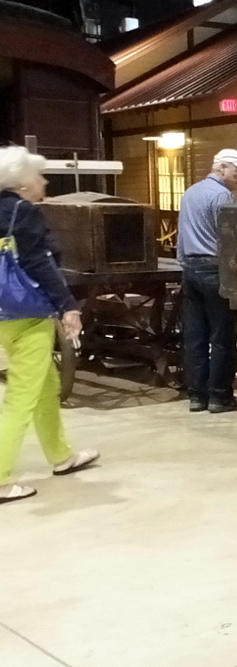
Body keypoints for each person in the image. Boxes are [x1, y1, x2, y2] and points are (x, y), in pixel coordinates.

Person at [0, 147, 98, 503]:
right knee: (21, 397)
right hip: (28, 313)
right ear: (23, 182)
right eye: (39, 175)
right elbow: (41, 264)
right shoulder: (23, 212)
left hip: (3, 313)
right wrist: (67, 306)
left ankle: (61, 456)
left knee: (45, 387)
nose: (44, 181)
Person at [178, 148, 237, 413]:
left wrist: (184, 264)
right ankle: (219, 396)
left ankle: (197, 396)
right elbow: (232, 238)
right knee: (222, 337)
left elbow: (181, 235)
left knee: (196, 337)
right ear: (221, 168)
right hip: (215, 270)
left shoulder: (191, 192)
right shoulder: (223, 195)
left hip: (191, 268)